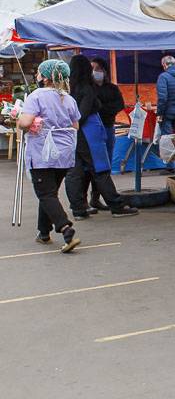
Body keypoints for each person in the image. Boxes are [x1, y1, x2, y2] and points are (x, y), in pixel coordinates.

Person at [17, 60, 82, 252]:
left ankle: (65, 228)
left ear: (45, 77)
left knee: (45, 193)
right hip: (64, 153)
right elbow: (75, 125)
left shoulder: (36, 96)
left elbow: (25, 122)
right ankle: (43, 233)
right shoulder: (68, 98)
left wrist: (19, 119)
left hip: (42, 153)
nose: (37, 76)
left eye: (38, 73)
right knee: (49, 193)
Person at [64, 55, 138, 220]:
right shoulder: (87, 89)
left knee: (75, 172)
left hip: (74, 135)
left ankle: (78, 209)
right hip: (89, 135)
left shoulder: (71, 89)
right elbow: (81, 114)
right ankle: (116, 205)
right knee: (100, 170)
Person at [89, 57, 125, 210]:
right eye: (92, 69)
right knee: (93, 164)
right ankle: (91, 199)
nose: (95, 72)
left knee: (106, 163)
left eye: (97, 69)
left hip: (109, 126)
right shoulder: (89, 88)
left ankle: (96, 197)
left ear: (104, 71)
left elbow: (119, 104)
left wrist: (104, 110)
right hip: (92, 130)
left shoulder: (112, 88)